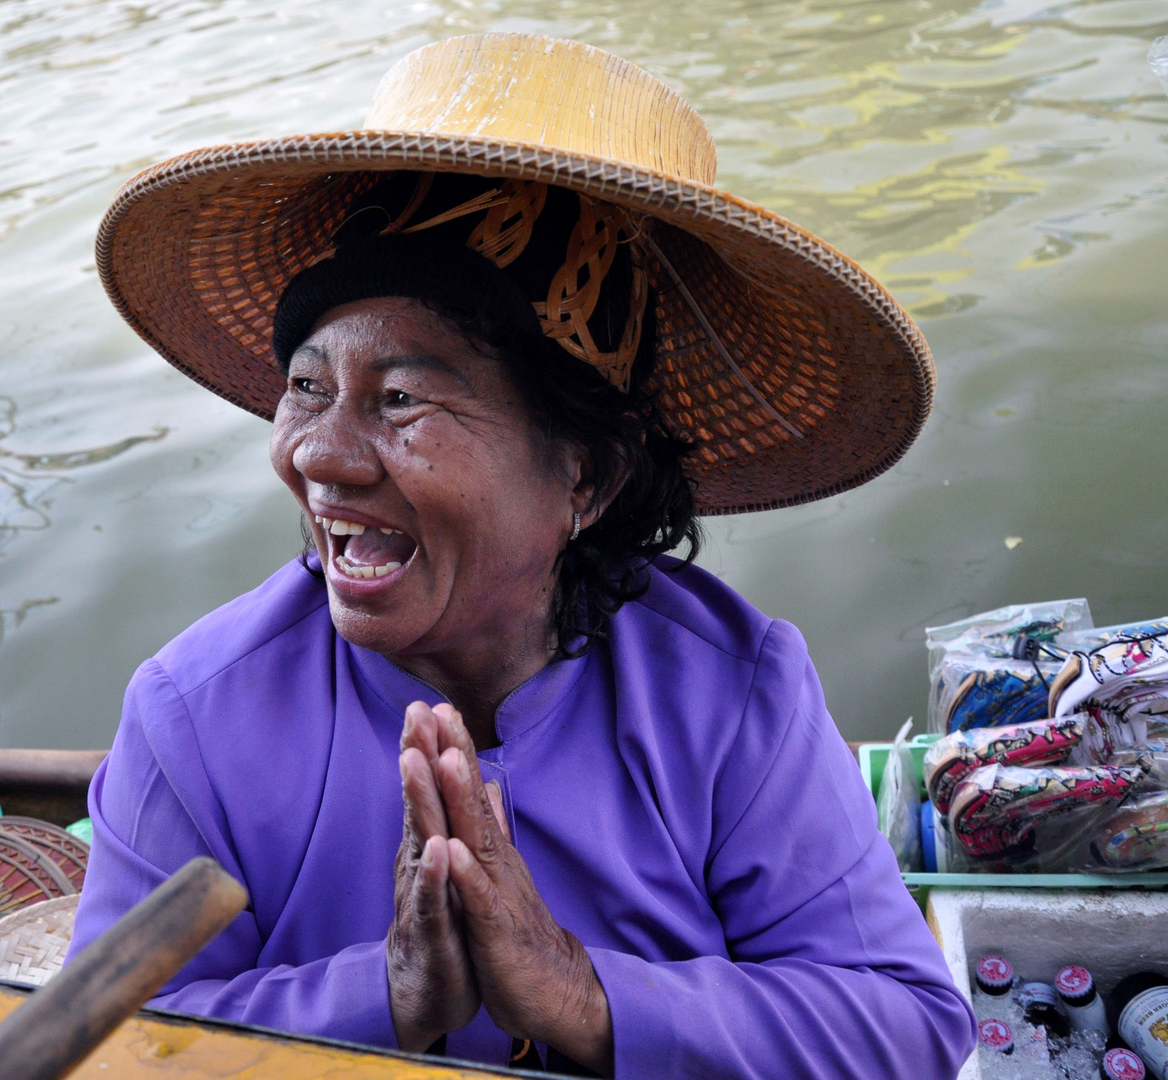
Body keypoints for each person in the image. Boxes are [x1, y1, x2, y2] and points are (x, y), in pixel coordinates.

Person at [66, 32, 975, 1079]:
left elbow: (906, 1030)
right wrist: (387, 993)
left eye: (401, 398)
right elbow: (108, 1050)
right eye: (308, 387)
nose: (316, 454)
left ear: (585, 479)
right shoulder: (198, 716)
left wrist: (582, 992)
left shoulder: (729, 696)